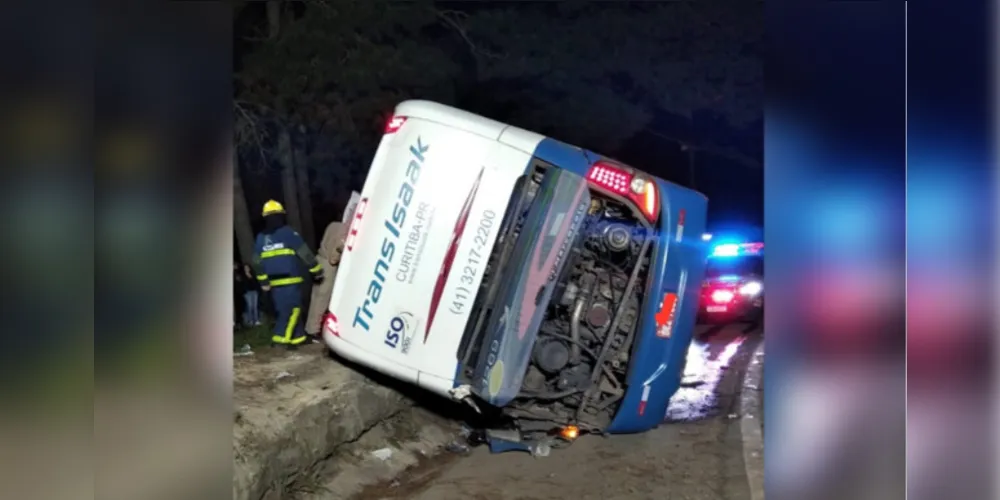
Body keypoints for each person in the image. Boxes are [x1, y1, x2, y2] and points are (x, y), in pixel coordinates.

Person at [251, 200, 324, 348]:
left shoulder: (260, 238)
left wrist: (264, 282)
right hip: (290, 280)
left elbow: (257, 262)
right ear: (281, 216)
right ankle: (280, 339)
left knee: (285, 309)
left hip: (274, 284)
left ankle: (298, 338)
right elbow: (305, 254)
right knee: (293, 310)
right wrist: (317, 271)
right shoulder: (289, 233)